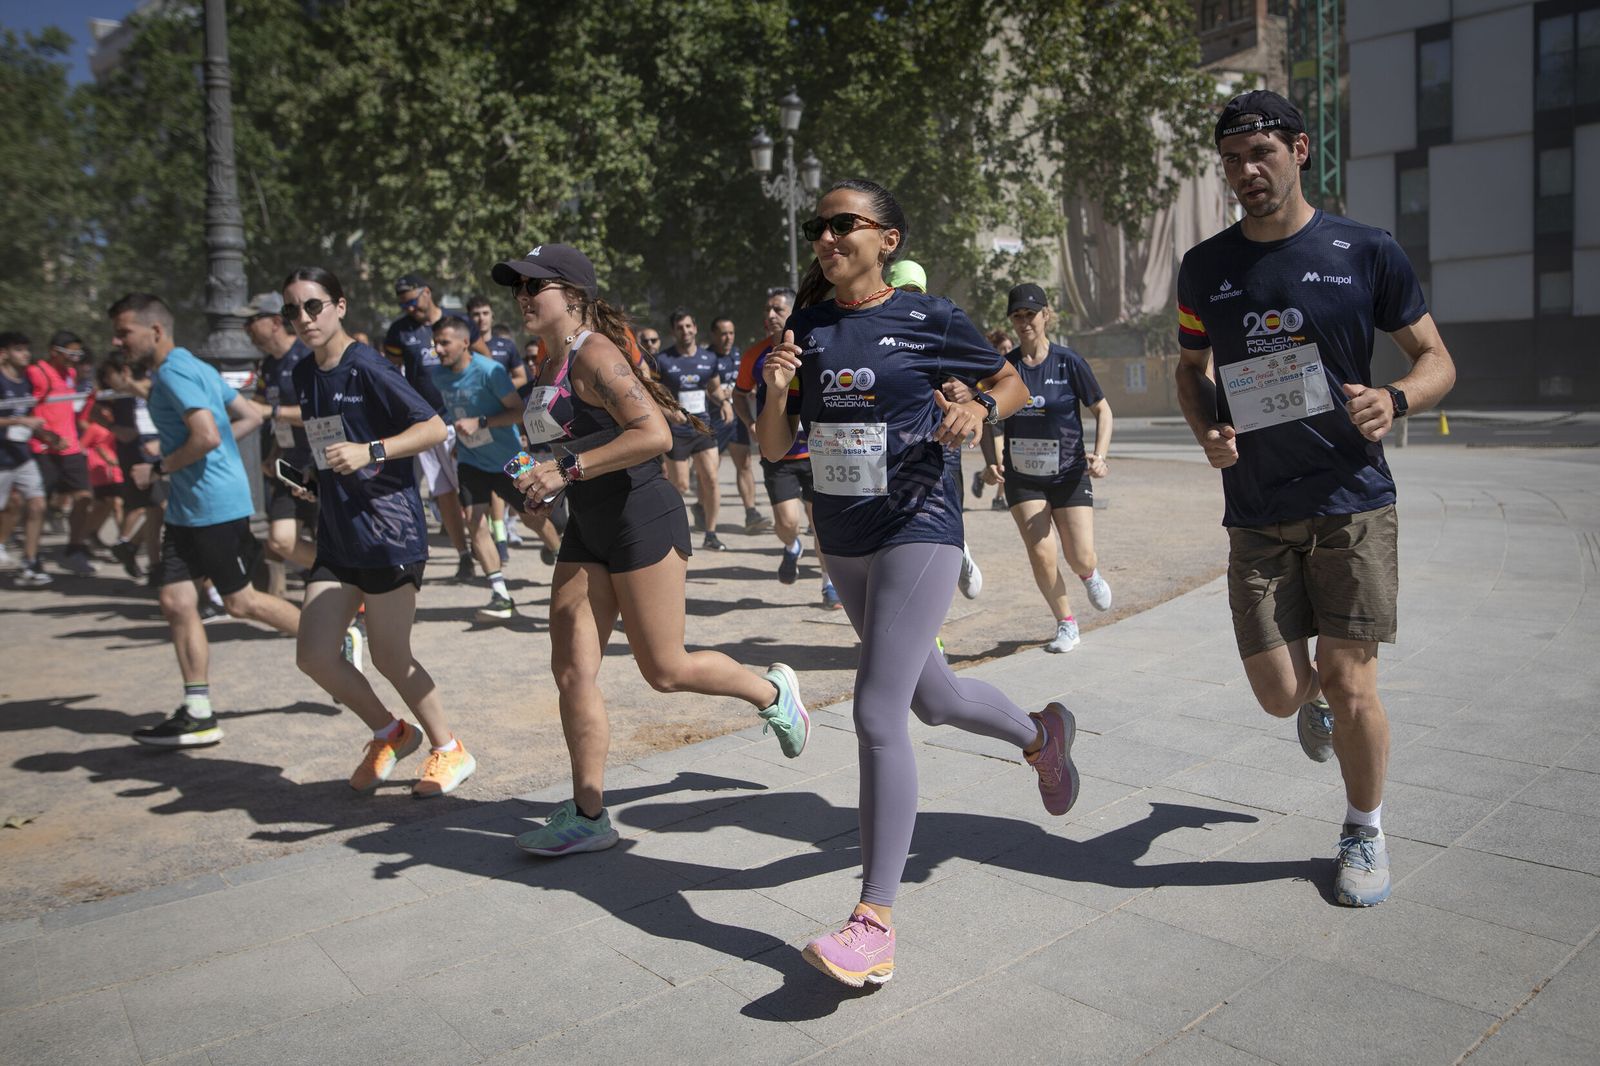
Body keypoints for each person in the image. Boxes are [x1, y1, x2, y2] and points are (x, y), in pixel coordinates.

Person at [756, 178, 1082, 987]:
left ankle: (874, 922)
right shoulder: (810, 324)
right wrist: (772, 386)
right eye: (818, 227)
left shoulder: (928, 318)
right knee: (932, 699)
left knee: (876, 707)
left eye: (843, 224)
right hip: (845, 534)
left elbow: (1012, 382)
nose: (826, 238)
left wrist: (978, 410)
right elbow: (773, 446)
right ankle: (1044, 738)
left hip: (918, 526)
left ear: (887, 240)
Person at [1175, 90, 1456, 907]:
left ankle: (1363, 827)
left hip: (1351, 499)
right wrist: (1207, 431)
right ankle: (1317, 709)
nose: (1245, 173)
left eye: (1258, 154)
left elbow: (1436, 358)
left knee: (1352, 679)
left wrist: (1396, 399)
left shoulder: (1366, 250)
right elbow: (1191, 373)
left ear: (1299, 151)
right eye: (1230, 161)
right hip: (1257, 508)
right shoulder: (1206, 267)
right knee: (1278, 694)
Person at [491, 243, 807, 855]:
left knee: (665, 670)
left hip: (641, 517)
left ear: (573, 295)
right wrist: (540, 474)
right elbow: (568, 442)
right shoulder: (548, 361)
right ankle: (588, 815)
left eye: (536, 287)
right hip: (588, 525)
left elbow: (654, 434)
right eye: (518, 289)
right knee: (573, 670)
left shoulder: (596, 354)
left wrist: (568, 470)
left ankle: (772, 692)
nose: (523, 299)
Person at [284, 266, 477, 797]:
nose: (303, 318)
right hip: (338, 532)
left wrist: (370, 451)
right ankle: (390, 732)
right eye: (293, 310)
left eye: (314, 306)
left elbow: (434, 427)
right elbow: (330, 442)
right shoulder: (304, 375)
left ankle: (449, 748)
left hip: (389, 530)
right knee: (315, 654)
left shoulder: (366, 366)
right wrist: (312, 476)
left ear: (340, 306)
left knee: (391, 654)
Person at [109, 293, 302, 746]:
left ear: (154, 331)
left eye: (124, 332)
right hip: (186, 509)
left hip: (214, 507)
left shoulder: (176, 373)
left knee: (241, 603)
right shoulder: (193, 366)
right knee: (177, 603)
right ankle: (198, 712)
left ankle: (336, 637)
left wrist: (161, 466)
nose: (118, 342)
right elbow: (250, 418)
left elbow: (207, 434)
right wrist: (203, 454)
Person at [975, 283, 1114, 653]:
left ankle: (1089, 573)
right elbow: (987, 420)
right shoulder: (1006, 371)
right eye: (1017, 316)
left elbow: (1102, 409)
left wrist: (1099, 455)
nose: (1024, 323)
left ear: (1046, 315)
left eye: (1030, 314)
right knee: (1041, 551)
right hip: (1023, 478)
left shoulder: (1069, 362)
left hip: (1069, 473)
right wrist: (991, 463)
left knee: (1079, 554)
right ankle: (1066, 623)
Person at [735, 287, 840, 609]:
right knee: (788, 522)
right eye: (767, 310)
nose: (770, 316)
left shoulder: (814, 348)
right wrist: (751, 421)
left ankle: (829, 584)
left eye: (777, 310)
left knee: (821, 525)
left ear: (793, 312)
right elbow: (740, 393)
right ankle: (792, 545)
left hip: (816, 453)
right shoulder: (755, 355)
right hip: (778, 454)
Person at [886, 259, 982, 603]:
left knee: (942, 516)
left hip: (941, 442)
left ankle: (959, 549)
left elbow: (984, 378)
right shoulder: (876, 335)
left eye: (917, 293)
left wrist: (969, 394)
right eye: (903, 292)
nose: (911, 300)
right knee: (902, 530)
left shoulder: (939, 332)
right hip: (894, 448)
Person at [431, 314, 527, 621]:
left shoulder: (491, 370)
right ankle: (500, 594)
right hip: (472, 459)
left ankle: (553, 547)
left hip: (512, 455)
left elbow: (519, 412)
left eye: (444, 343)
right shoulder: (439, 376)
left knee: (542, 518)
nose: (438, 349)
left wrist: (481, 422)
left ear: (463, 342)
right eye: (435, 343)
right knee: (474, 520)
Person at [383, 274, 476, 580]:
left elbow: (485, 362)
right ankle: (465, 555)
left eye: (412, 300)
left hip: (466, 421)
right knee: (443, 492)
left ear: (427, 292)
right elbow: (392, 374)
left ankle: (496, 541)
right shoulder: (399, 331)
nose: (408, 307)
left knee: (475, 488)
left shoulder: (458, 323)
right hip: (425, 423)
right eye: (403, 303)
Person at [237, 294, 319, 575]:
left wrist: (272, 413)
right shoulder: (268, 366)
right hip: (290, 465)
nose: (246, 328)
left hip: (322, 464)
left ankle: (349, 590)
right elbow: (269, 415)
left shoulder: (309, 356)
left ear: (275, 321)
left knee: (334, 538)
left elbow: (320, 413)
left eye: (252, 321)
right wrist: (274, 454)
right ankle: (341, 574)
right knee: (281, 541)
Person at [654, 309, 728, 550]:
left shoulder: (709, 358)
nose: (685, 331)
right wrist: (668, 412)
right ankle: (674, 531)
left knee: (711, 479)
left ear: (695, 328)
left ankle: (711, 533)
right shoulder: (664, 360)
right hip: (678, 432)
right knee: (681, 486)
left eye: (688, 326)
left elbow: (714, 389)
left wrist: (724, 402)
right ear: (673, 332)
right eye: (680, 327)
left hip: (703, 427)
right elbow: (653, 395)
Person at [27, 331, 96, 574]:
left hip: (71, 449)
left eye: (78, 354)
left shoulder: (71, 374)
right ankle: (31, 559)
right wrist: (46, 436)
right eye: (71, 354)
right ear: (54, 352)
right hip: (43, 448)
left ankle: (74, 549)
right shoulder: (36, 372)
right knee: (35, 505)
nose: (75, 359)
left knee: (84, 497)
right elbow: (25, 410)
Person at [96, 351, 164, 581]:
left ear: (124, 372)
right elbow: (90, 412)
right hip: (136, 455)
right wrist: (115, 429)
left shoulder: (155, 384)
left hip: (159, 452)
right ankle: (150, 562)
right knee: (157, 508)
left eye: (109, 375)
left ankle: (131, 546)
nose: (107, 381)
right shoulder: (114, 395)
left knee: (159, 509)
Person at [708, 315, 770, 535]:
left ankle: (751, 512)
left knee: (744, 465)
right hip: (712, 421)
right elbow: (707, 387)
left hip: (737, 420)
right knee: (709, 473)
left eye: (731, 333)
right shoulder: (706, 357)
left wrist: (749, 391)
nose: (728, 338)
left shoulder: (738, 355)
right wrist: (721, 394)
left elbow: (744, 385)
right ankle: (703, 509)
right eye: (723, 333)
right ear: (714, 335)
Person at [0, 332, 52, 586]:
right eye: (19, 349)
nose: (26, 354)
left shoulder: (26, 382)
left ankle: (30, 562)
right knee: (10, 506)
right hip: (0, 457)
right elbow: (22, 418)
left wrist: (47, 436)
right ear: (5, 353)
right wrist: (20, 421)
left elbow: (29, 415)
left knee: (37, 504)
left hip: (21, 455)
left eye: (26, 349)